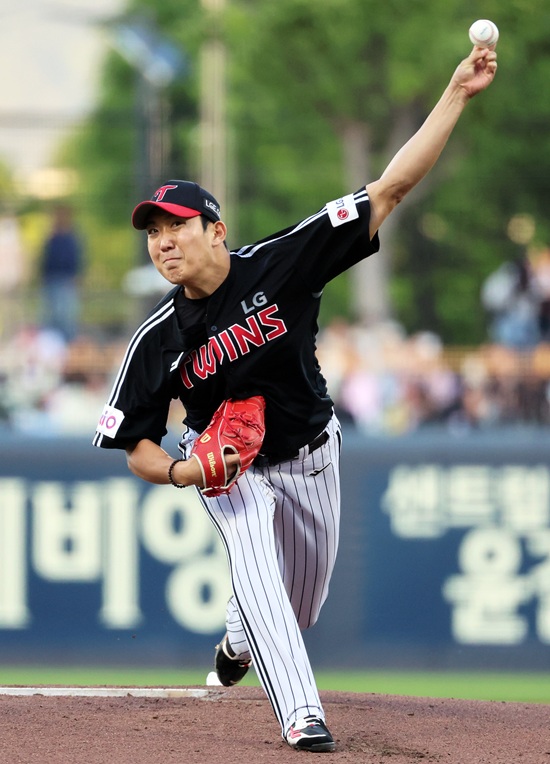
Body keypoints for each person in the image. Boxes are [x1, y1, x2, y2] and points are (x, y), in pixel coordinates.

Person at [93, 45, 497, 752]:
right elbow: (136, 449)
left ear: (216, 230)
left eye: (177, 225)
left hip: (311, 454)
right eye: (153, 232)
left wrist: (457, 93)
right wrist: (187, 470)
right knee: (251, 545)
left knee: (299, 606)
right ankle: (302, 715)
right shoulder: (157, 338)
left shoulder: (282, 263)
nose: (163, 242)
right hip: (227, 468)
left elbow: (391, 188)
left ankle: (237, 636)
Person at [39, 204, 84, 342]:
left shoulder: (72, 239)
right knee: (51, 316)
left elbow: (76, 261)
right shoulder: (52, 238)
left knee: (66, 316)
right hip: (51, 281)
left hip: (66, 282)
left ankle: (67, 344)